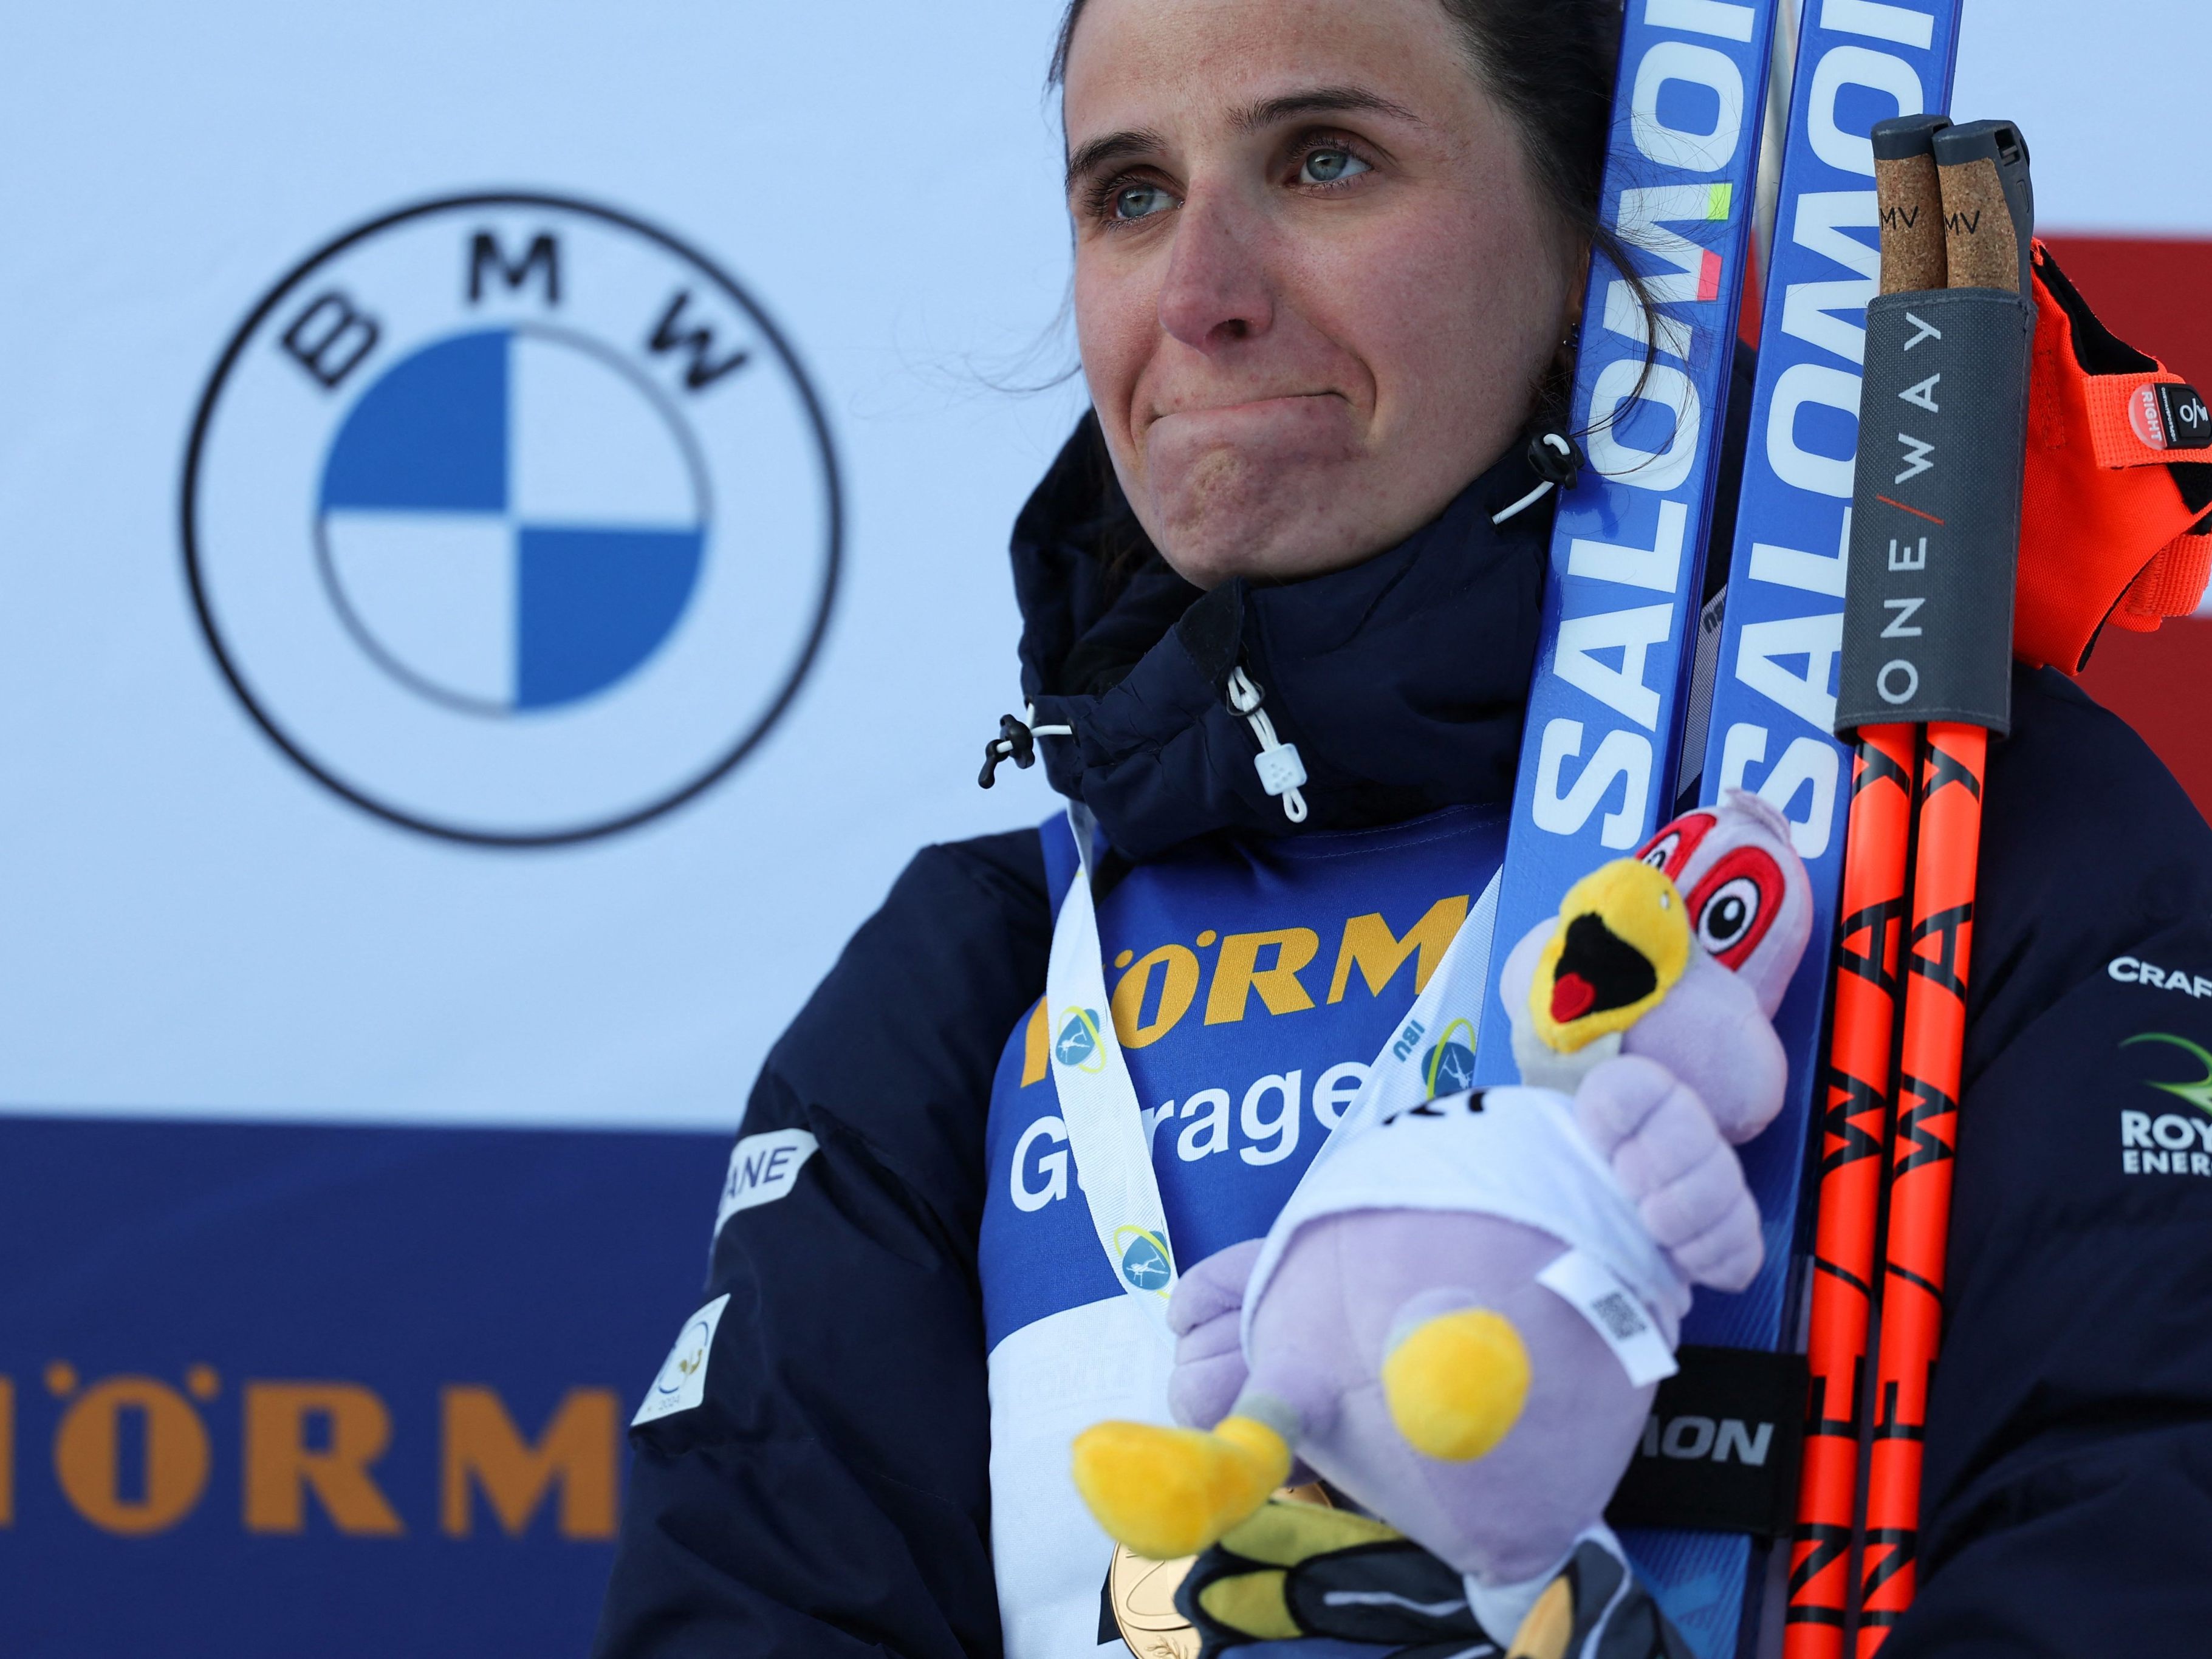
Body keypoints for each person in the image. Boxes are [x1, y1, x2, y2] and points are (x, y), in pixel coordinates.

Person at [592, 1, 2212, 1655]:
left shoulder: (1958, 842)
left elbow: (2138, 1510)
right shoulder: (979, 964)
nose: (1202, 292)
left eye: (1324, 160)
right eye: (1129, 194)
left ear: (1603, 245)